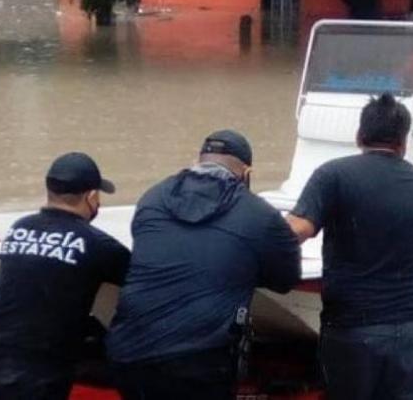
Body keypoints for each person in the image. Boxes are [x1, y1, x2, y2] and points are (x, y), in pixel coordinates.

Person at [106, 129, 301, 400]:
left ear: (198, 161)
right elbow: (286, 279)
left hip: (127, 353)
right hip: (199, 364)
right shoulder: (260, 215)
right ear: (246, 173)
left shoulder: (153, 198)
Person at [287, 94, 413, 400]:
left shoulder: (334, 175)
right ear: (403, 142)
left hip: (357, 325)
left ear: (359, 136)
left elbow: (298, 229)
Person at [0, 152, 130, 400]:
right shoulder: (99, 245)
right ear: (91, 197)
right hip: (40, 371)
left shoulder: (20, 227)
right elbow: (144, 281)